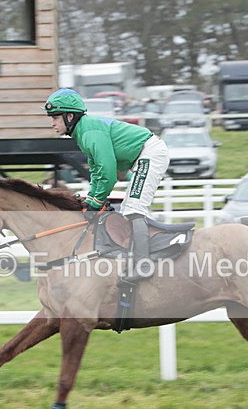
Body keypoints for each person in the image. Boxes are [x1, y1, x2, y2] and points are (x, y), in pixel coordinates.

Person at [42, 88, 169, 282]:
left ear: (69, 116)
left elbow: (108, 173)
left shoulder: (89, 132)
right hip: (139, 155)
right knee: (128, 207)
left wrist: (96, 201)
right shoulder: (83, 132)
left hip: (149, 153)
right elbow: (97, 171)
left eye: (55, 118)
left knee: (134, 207)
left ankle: (144, 264)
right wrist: (92, 199)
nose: (52, 123)